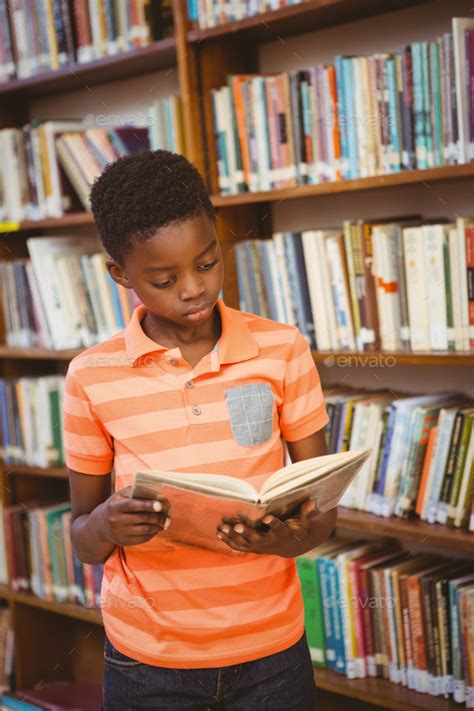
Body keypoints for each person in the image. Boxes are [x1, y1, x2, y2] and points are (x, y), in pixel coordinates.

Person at [64, 149, 337, 710]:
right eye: (164, 279)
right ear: (121, 274)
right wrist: (110, 523)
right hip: (147, 661)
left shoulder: (281, 350)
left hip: (271, 652)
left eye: (208, 263)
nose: (192, 289)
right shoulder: (91, 376)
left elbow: (321, 510)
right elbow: (83, 539)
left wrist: (292, 538)